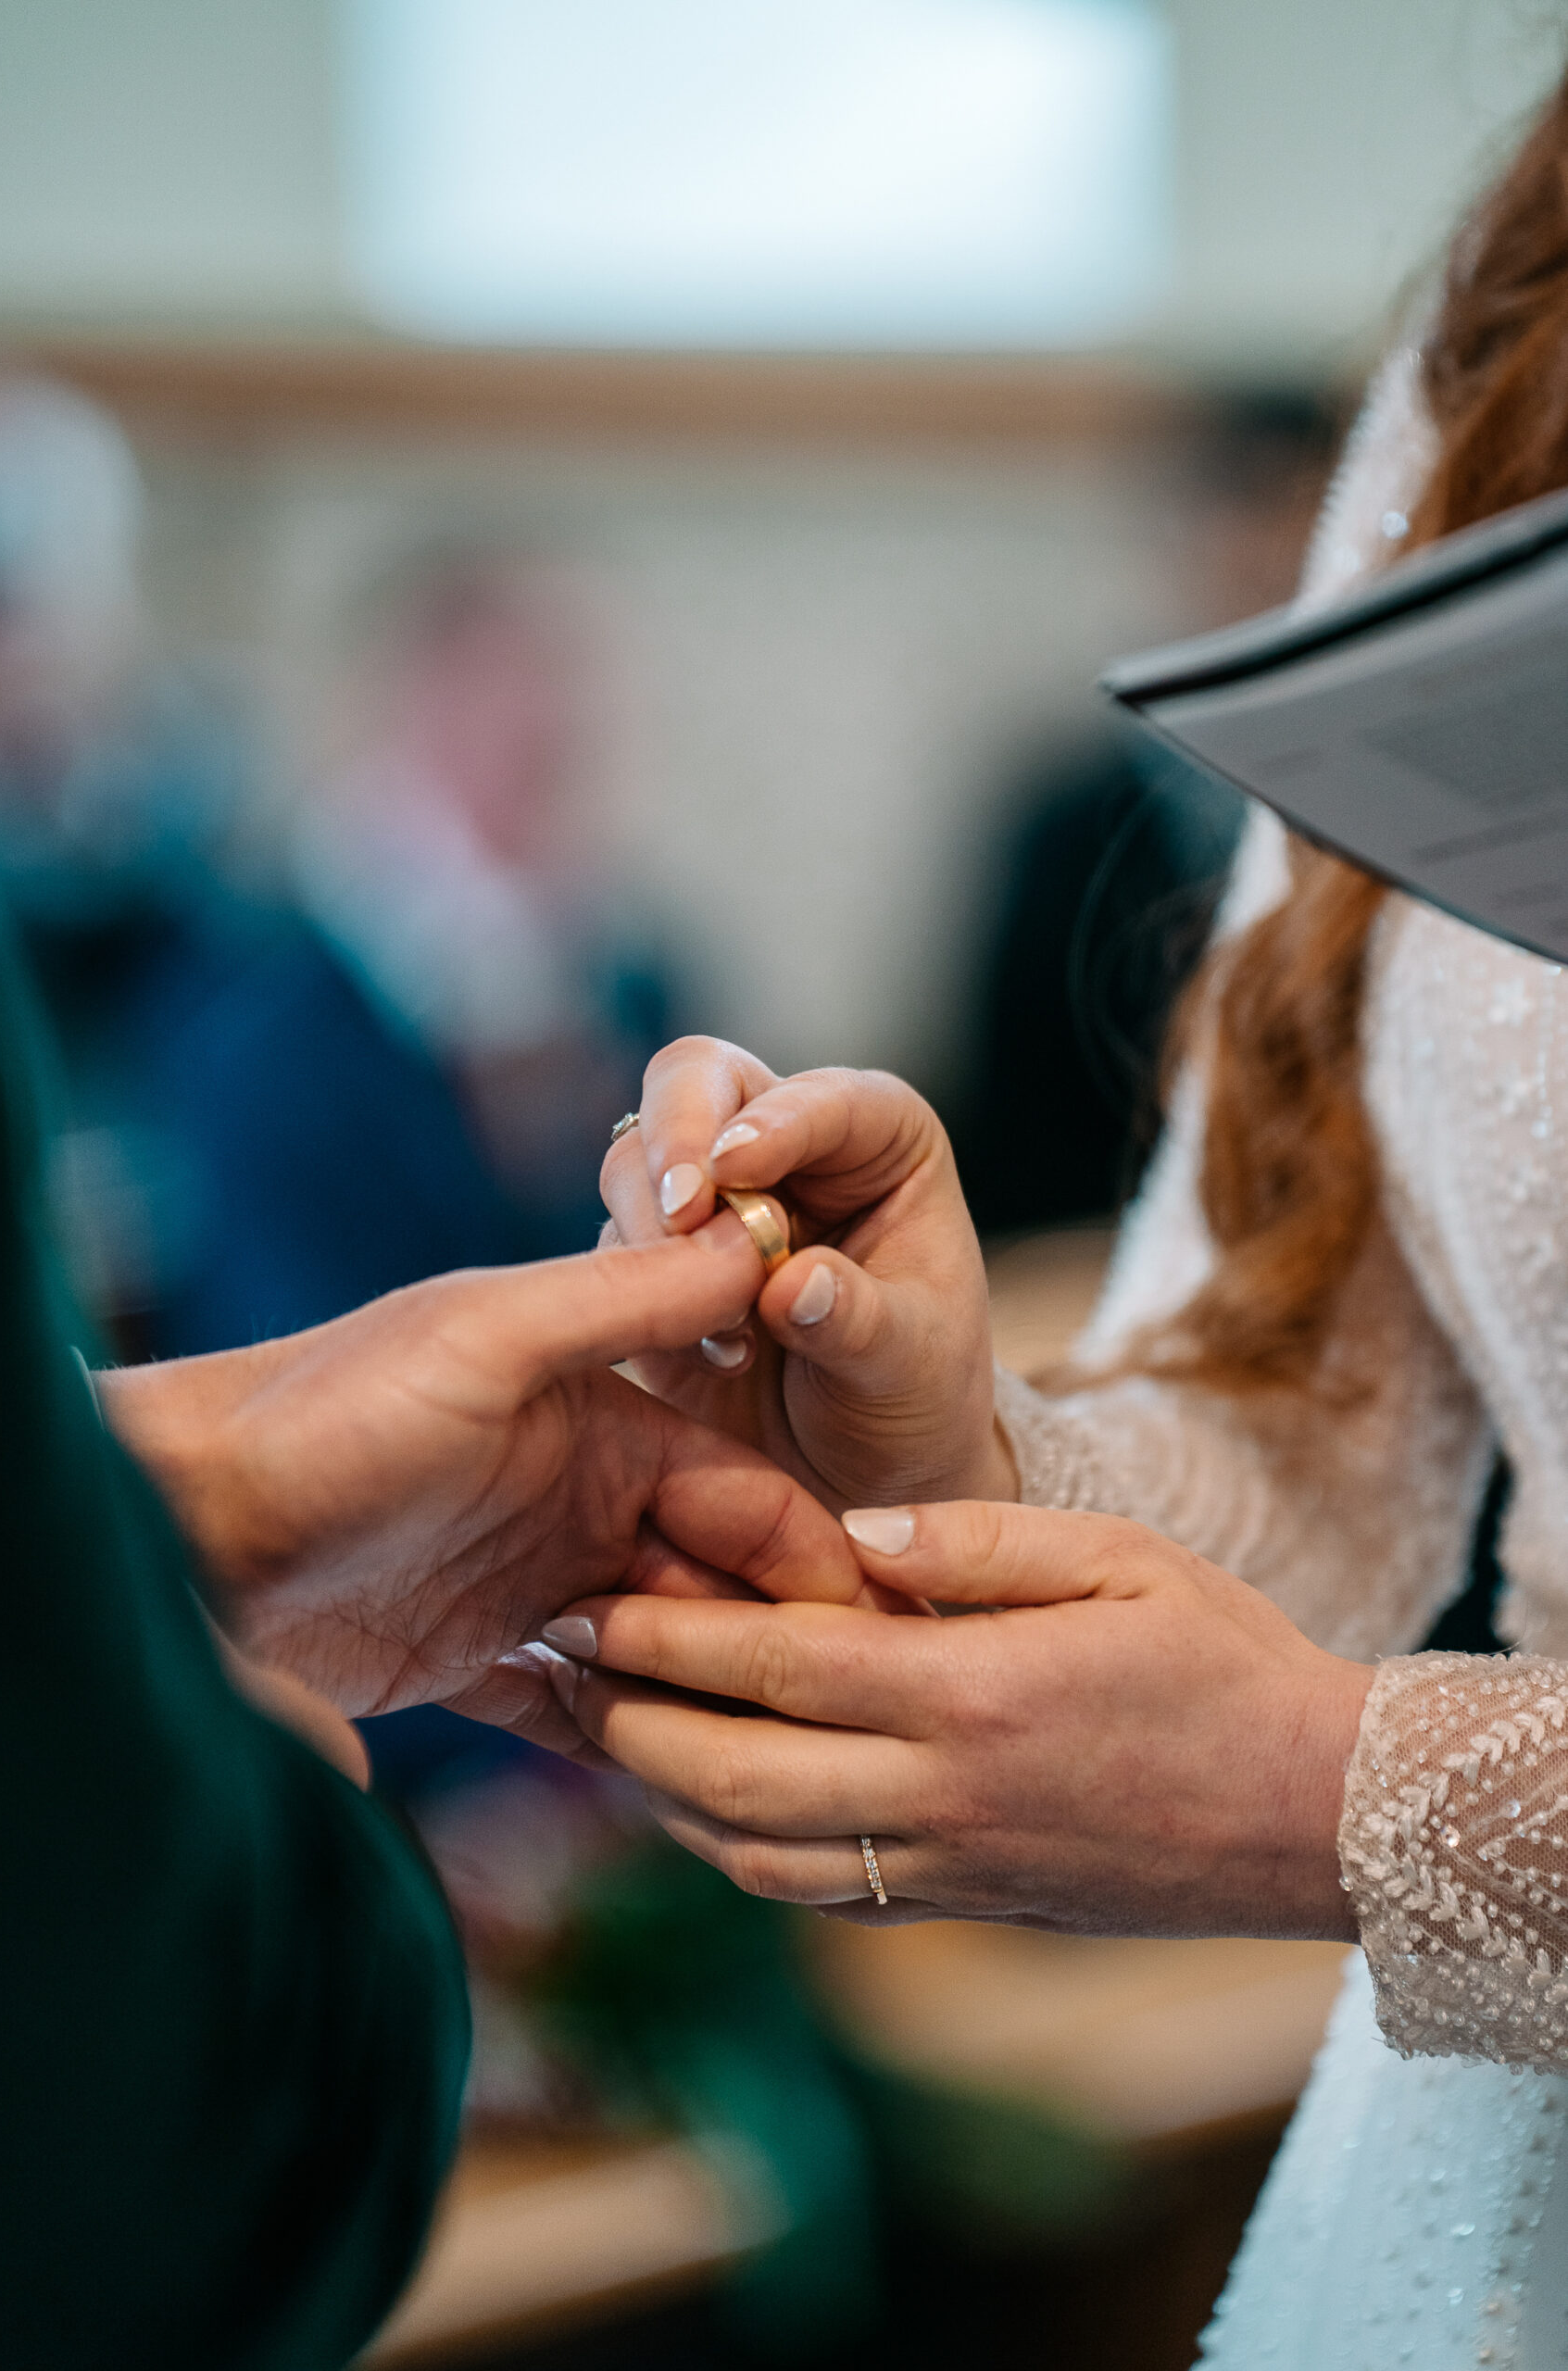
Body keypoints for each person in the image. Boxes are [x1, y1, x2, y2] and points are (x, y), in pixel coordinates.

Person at [555, 68, 1568, 2367]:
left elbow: (1321, 1757)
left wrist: (1346, 1795)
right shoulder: (1509, 331)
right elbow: (1305, 1403)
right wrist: (943, 1449)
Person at [0, 867, 872, 2365]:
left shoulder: (636, 963)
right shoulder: (270, 1034)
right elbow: (154, 2132)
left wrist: (207, 1496)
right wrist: (260, 1774)